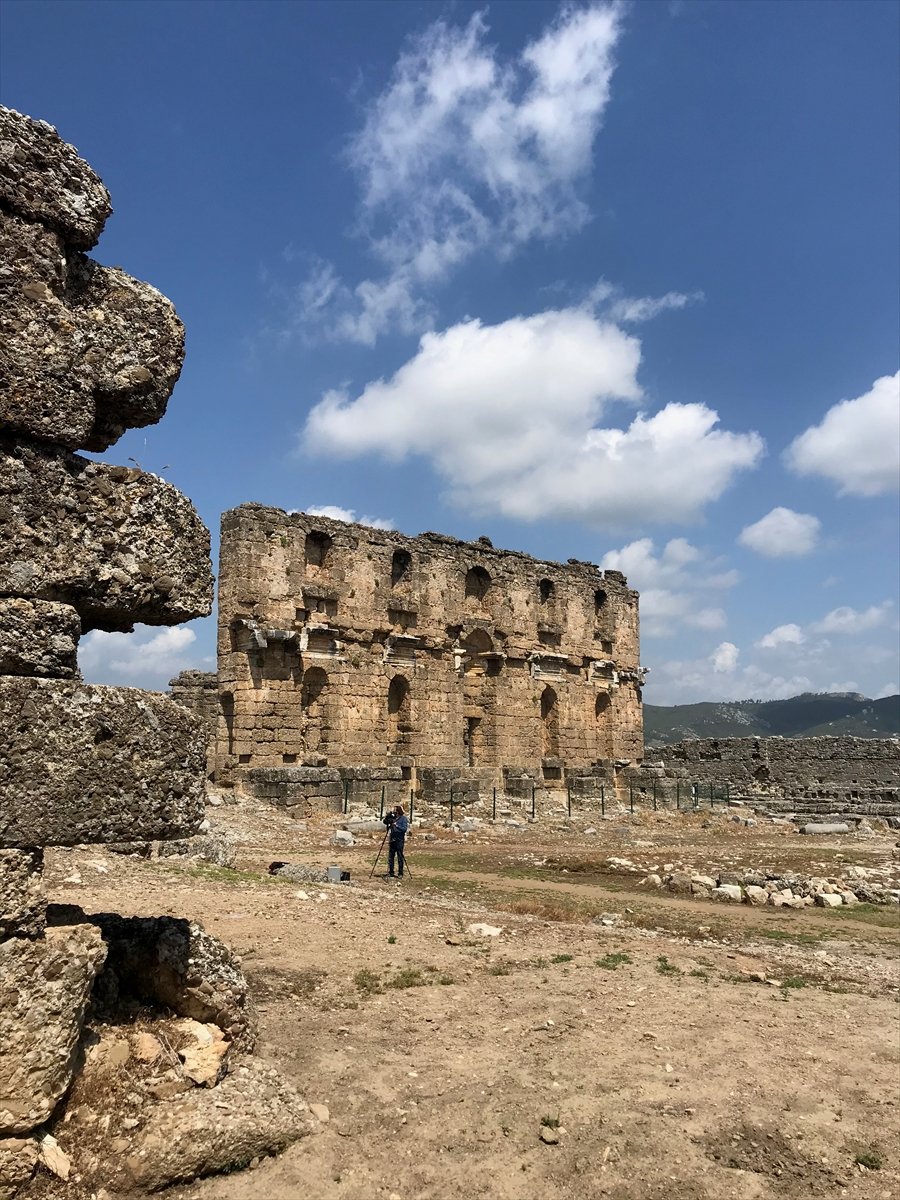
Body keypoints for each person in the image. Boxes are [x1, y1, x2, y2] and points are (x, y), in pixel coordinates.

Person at [384, 804, 409, 879]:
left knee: (400, 856)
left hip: (399, 840)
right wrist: (388, 816)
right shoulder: (393, 818)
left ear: (398, 811)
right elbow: (385, 822)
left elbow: (404, 829)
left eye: (395, 811)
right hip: (392, 839)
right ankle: (391, 872)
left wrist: (396, 825)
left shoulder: (403, 819)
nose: (394, 812)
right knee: (391, 857)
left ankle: (400, 873)